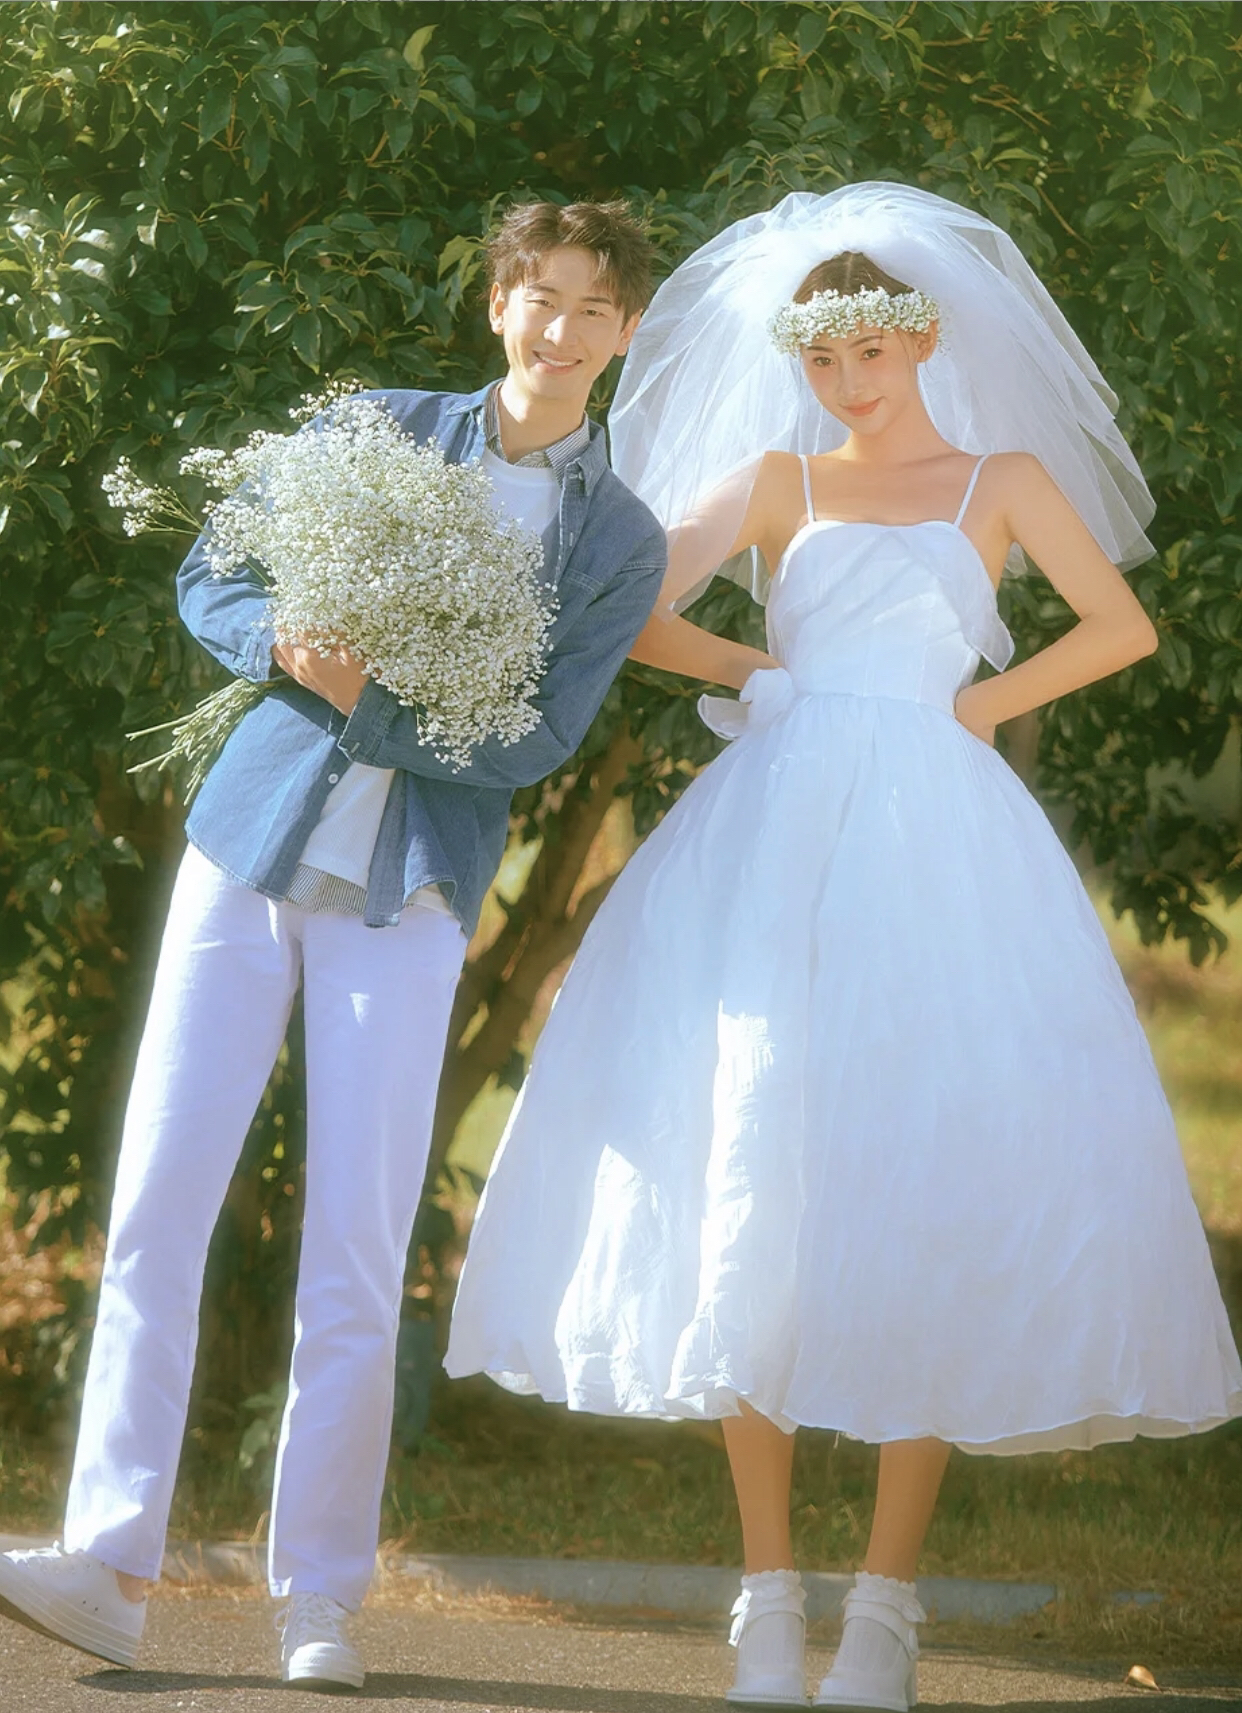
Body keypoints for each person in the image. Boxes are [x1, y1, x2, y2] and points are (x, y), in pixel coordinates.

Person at [445, 184, 1242, 1711]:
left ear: (921, 338)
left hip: (938, 843)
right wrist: (753, 664)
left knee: (915, 1177)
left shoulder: (997, 479)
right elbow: (626, 605)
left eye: (869, 350)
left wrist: (973, 704)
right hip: (774, 835)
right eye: (820, 358)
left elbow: (1118, 626)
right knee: (749, 1163)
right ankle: (765, 1593)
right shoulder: (775, 481)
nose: (846, 380)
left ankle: (883, 1604)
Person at [0, 199, 666, 1691]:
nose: (559, 329)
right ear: (497, 303)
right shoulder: (378, 428)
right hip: (244, 855)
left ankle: (320, 1603)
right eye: (538, 295)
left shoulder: (618, 539)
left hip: (408, 900)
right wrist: (286, 644)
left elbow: (536, 740)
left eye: (591, 308)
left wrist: (380, 698)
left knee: (356, 1254)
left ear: (625, 332)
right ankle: (106, 1564)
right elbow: (214, 573)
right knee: (156, 1210)